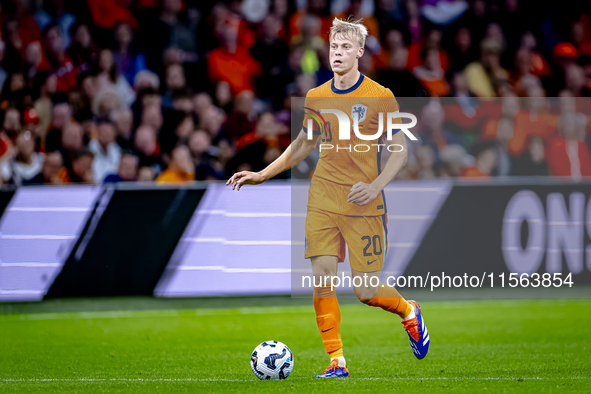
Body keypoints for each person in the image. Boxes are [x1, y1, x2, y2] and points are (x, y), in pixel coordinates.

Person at [227, 18, 429, 378]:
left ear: (360, 52)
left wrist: (376, 185)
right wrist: (262, 174)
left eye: (345, 48)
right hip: (322, 198)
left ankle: (408, 311)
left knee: (365, 291)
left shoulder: (381, 97)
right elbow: (304, 142)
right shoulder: (316, 97)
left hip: (363, 201)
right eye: (334, 47)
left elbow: (398, 151)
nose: (338, 53)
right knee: (322, 280)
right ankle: (337, 361)